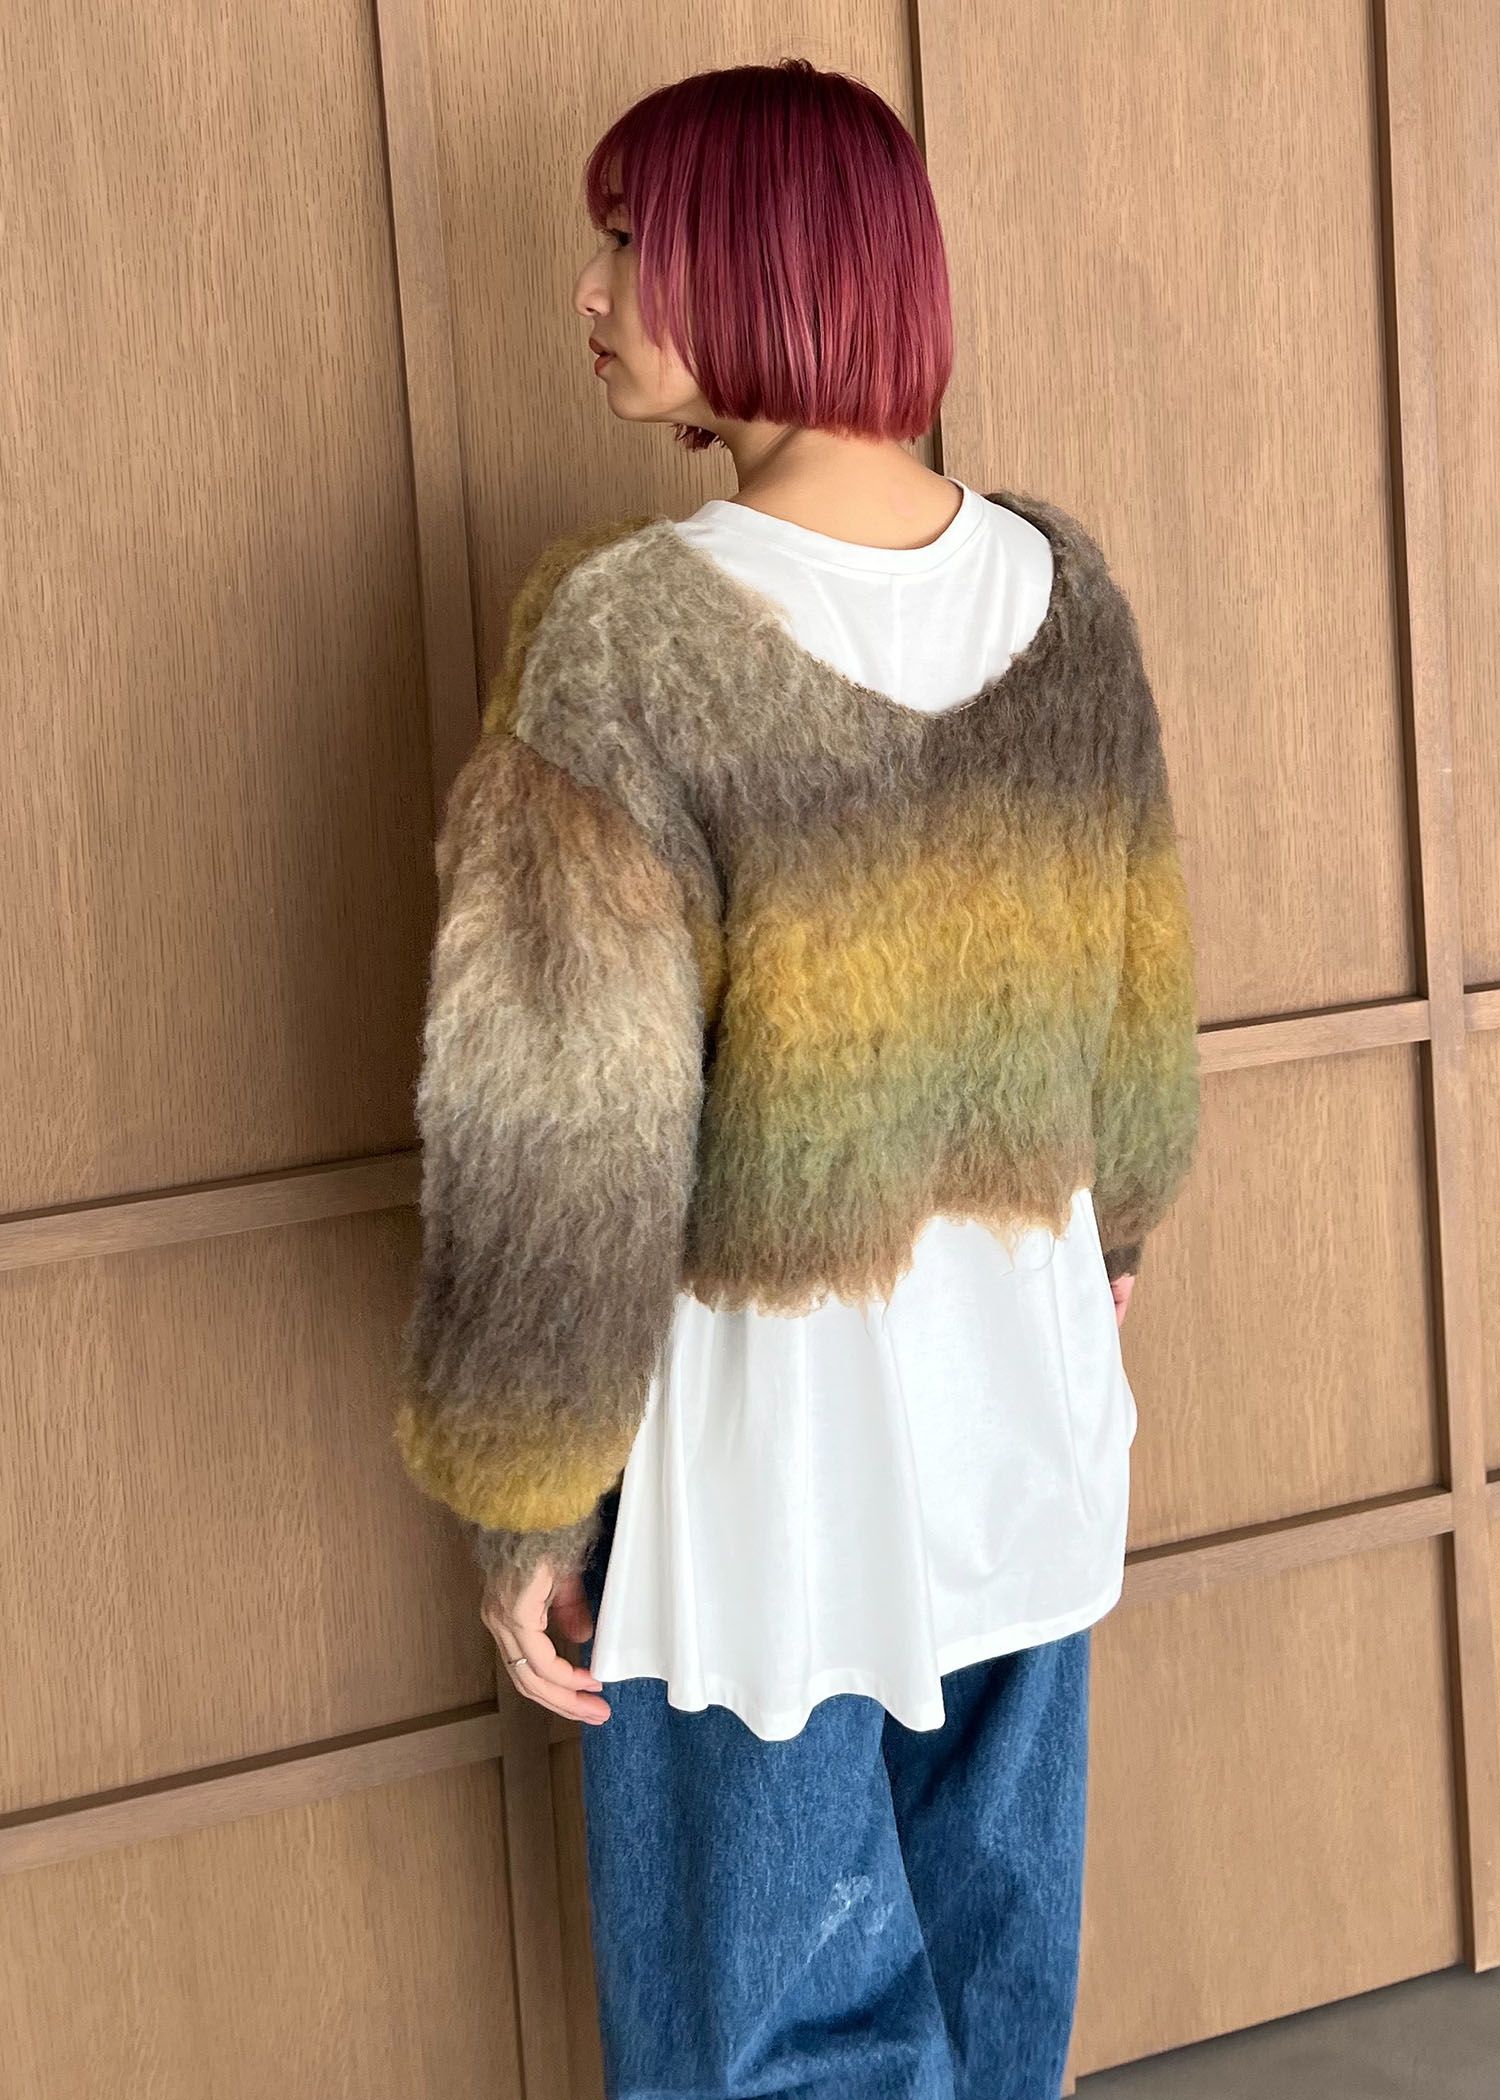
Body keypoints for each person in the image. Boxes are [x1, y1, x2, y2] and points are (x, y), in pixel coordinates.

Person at [394, 57, 1200, 2100]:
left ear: (768, 262)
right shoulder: (1065, 598)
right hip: (1023, 1426)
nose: (589, 289)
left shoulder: (626, 645)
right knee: (995, 2001)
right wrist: (1103, 1248)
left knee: (772, 2047)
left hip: (765, 1481)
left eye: (630, 239)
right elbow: (1136, 1011)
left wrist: (526, 1498)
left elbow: (560, 1137)